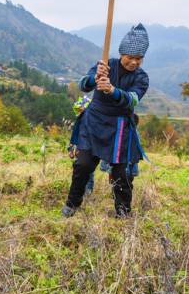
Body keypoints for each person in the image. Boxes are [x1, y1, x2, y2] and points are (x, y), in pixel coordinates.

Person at [62, 24, 150, 218]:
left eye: (139, 58)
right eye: (130, 57)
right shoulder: (105, 65)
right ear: (122, 53)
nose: (134, 62)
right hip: (94, 123)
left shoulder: (142, 77)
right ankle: (72, 203)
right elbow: (83, 85)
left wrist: (112, 90)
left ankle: (123, 213)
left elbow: (133, 99)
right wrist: (96, 77)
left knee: (122, 174)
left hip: (120, 127)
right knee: (83, 165)